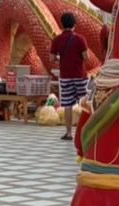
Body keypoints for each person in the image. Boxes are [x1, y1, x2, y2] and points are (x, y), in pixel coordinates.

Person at [50, 12, 88, 141]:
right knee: (85, 104)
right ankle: (85, 132)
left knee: (67, 105)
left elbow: (51, 58)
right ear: (74, 24)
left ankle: (69, 133)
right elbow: (86, 57)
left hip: (65, 76)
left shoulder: (57, 40)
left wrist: (61, 58)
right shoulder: (80, 39)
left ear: (62, 24)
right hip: (80, 76)